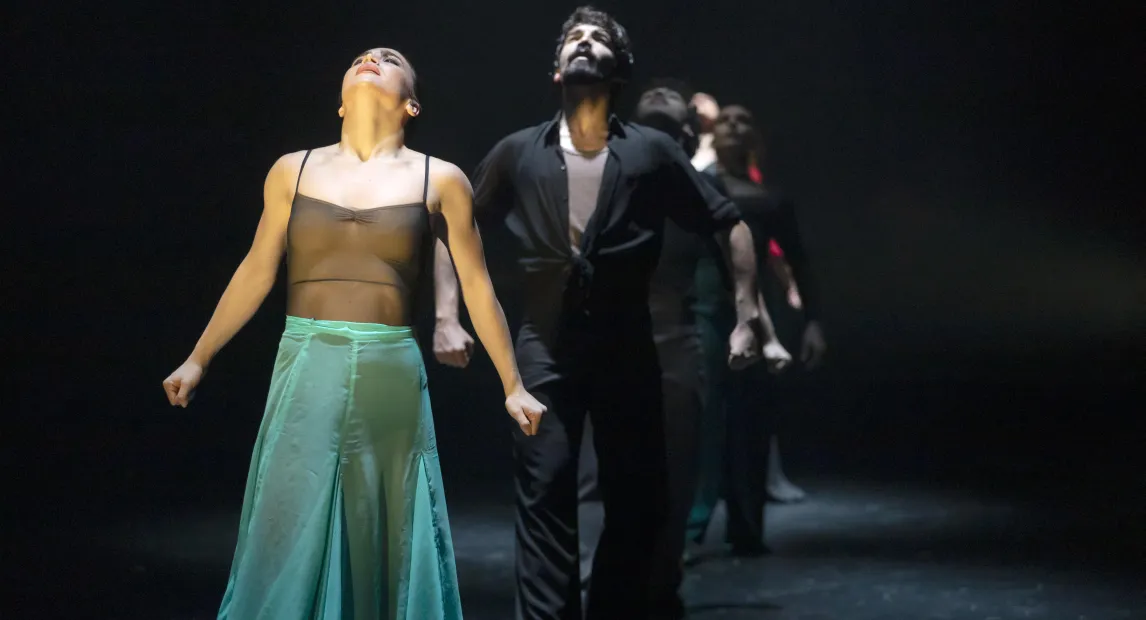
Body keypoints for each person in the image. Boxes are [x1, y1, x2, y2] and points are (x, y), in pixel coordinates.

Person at [161, 47, 545, 620]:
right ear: (339, 102)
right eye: (361, 58)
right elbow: (257, 268)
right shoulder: (293, 168)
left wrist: (512, 384)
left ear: (412, 103)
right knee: (289, 516)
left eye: (389, 60)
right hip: (307, 359)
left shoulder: (439, 178)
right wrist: (198, 357)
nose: (372, 60)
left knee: (383, 522)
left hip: (390, 370)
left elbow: (477, 285)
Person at [432, 8, 768, 618]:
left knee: (636, 499)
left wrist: (746, 315)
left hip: (628, 343)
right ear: (557, 70)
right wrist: (446, 314)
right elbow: (454, 228)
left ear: (622, 69)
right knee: (545, 489)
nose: (584, 44)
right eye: (573, 39)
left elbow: (728, 222)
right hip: (544, 344)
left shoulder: (651, 151)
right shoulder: (518, 151)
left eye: (598, 39)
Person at [570, 79, 792, 613]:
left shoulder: (695, 187)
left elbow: (735, 241)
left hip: (673, 345)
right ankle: (601, 575)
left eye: (674, 127)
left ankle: (658, 583)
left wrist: (753, 325)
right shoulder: (606, 175)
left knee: (672, 474)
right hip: (611, 343)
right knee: (598, 472)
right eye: (654, 124)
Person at [687, 103, 827, 557]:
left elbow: (798, 261)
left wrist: (813, 323)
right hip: (705, 310)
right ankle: (691, 527)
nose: (731, 125)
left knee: (751, 423)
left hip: (757, 314)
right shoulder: (698, 187)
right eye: (724, 119)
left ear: (755, 137)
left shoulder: (769, 199)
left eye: (742, 120)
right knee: (703, 421)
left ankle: (747, 527)